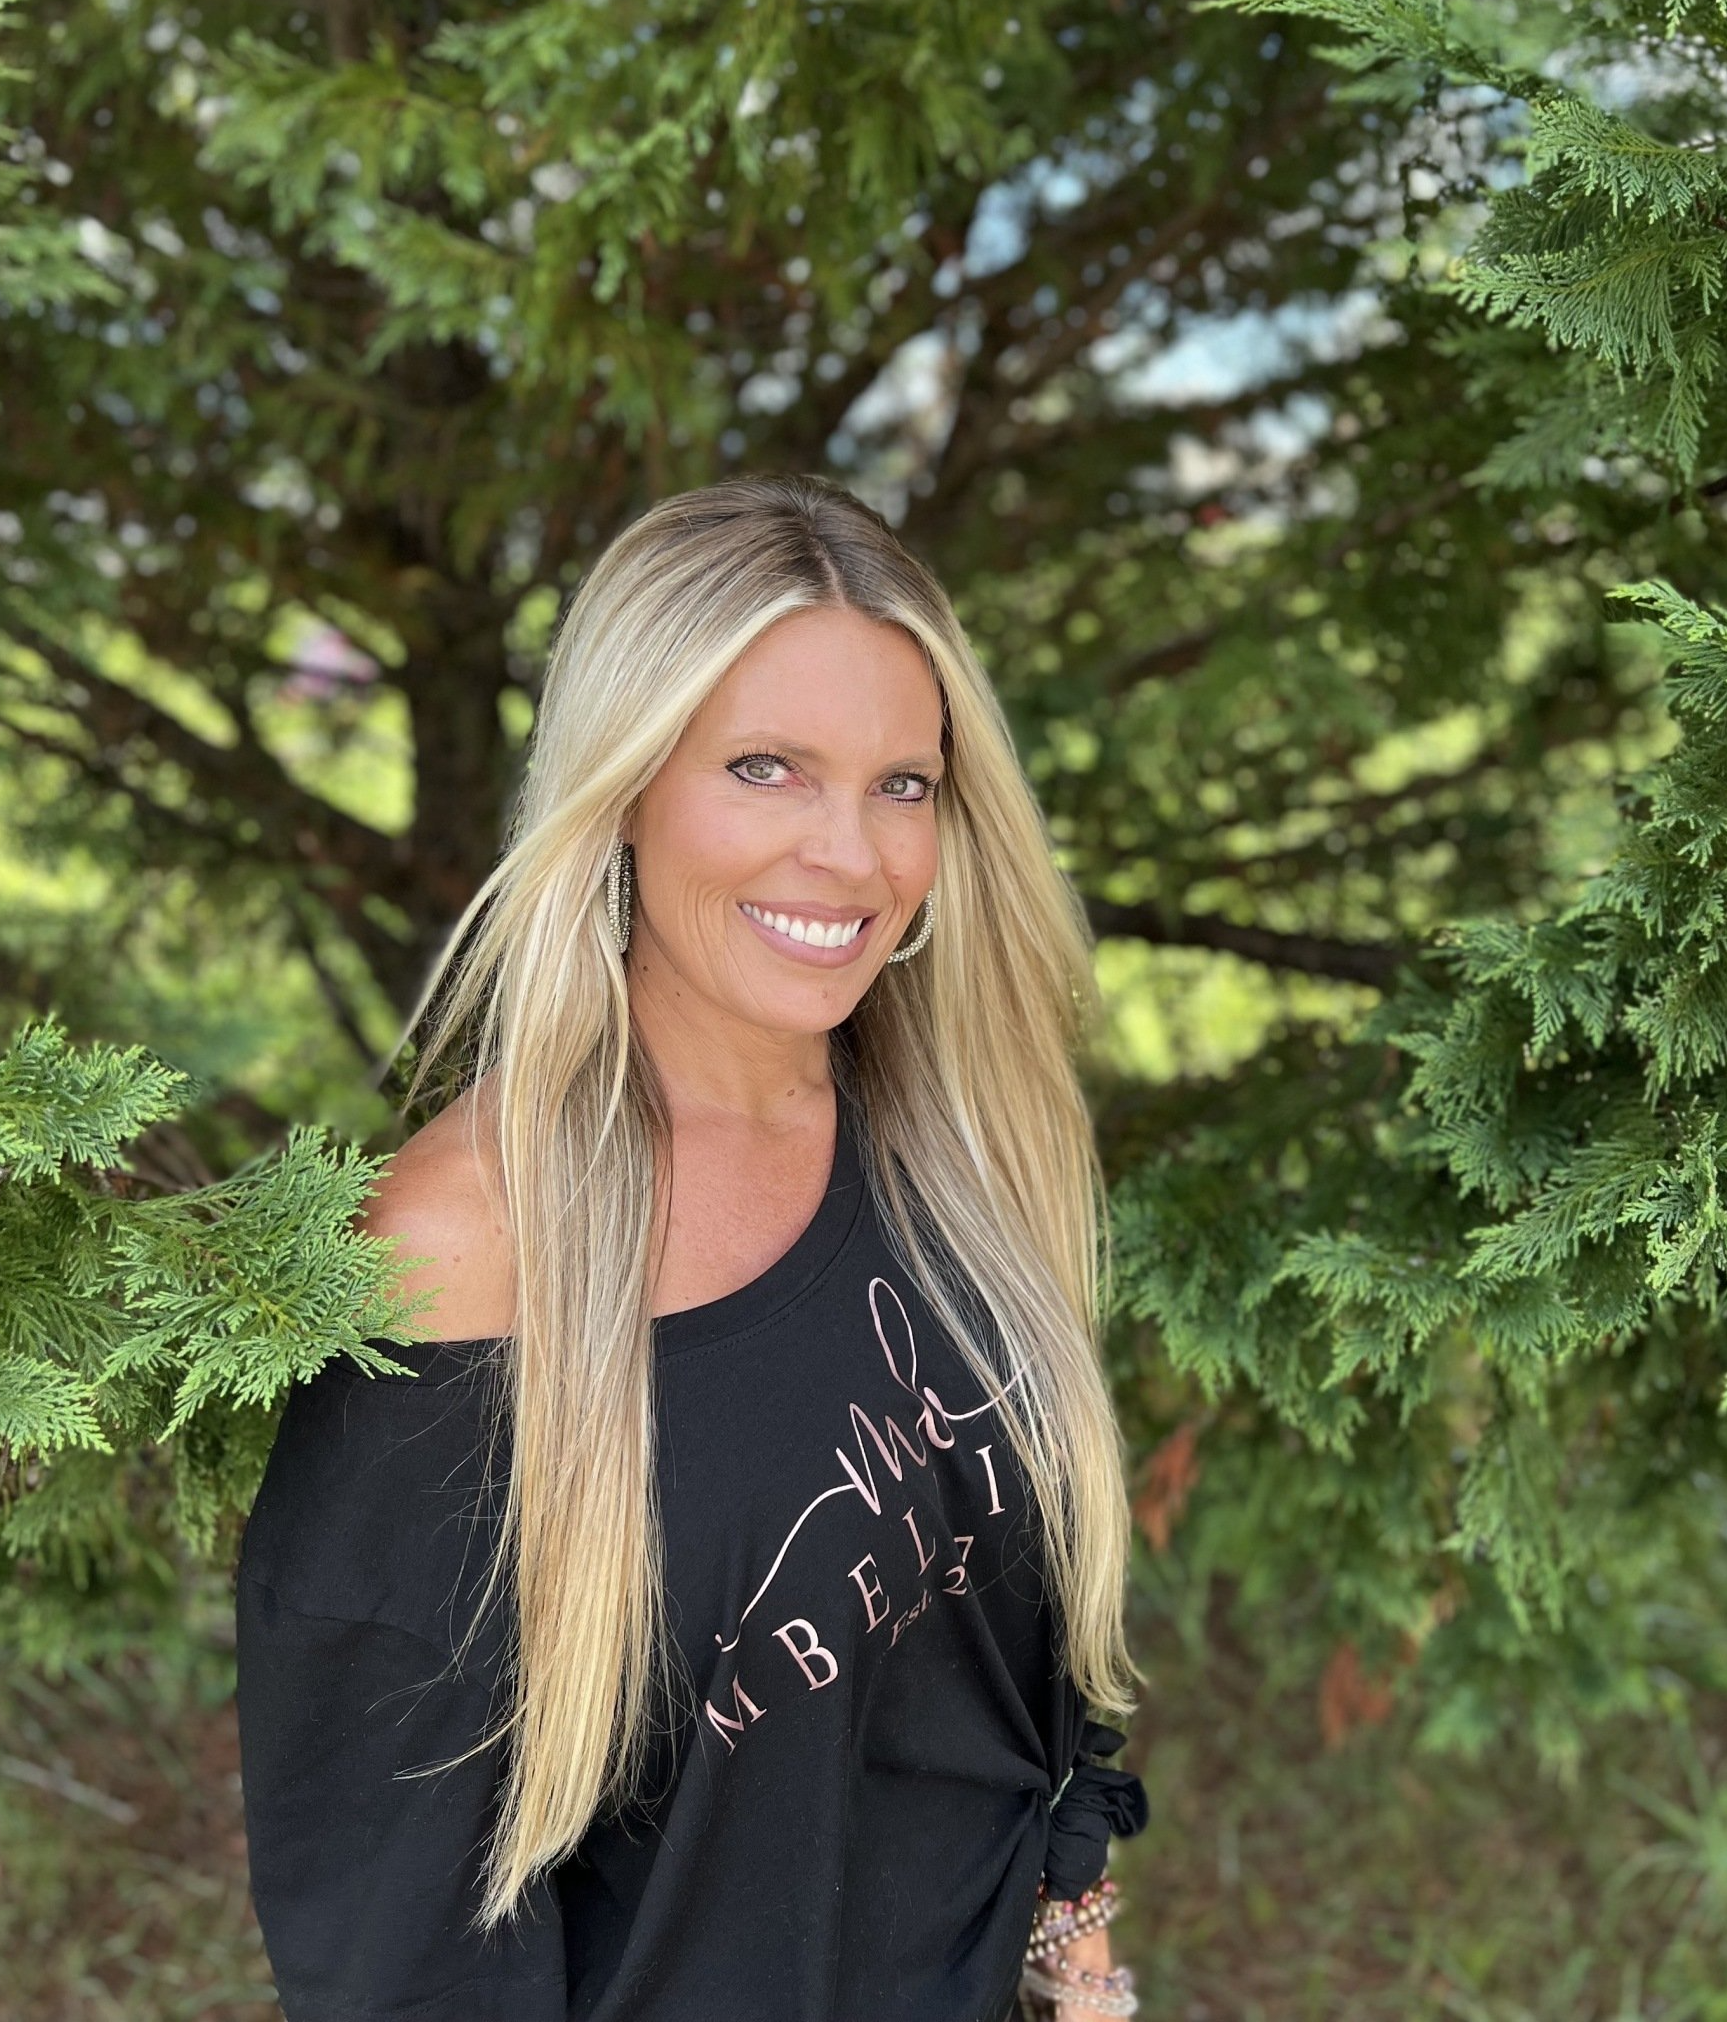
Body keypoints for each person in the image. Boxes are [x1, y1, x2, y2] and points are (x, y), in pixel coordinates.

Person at [234, 472, 1149, 2022]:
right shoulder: (464, 1245)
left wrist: (1076, 1952)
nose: (850, 857)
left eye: (902, 785)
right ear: (628, 782)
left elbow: (1011, 1685)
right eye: (766, 767)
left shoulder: (954, 1137)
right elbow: (400, 1931)